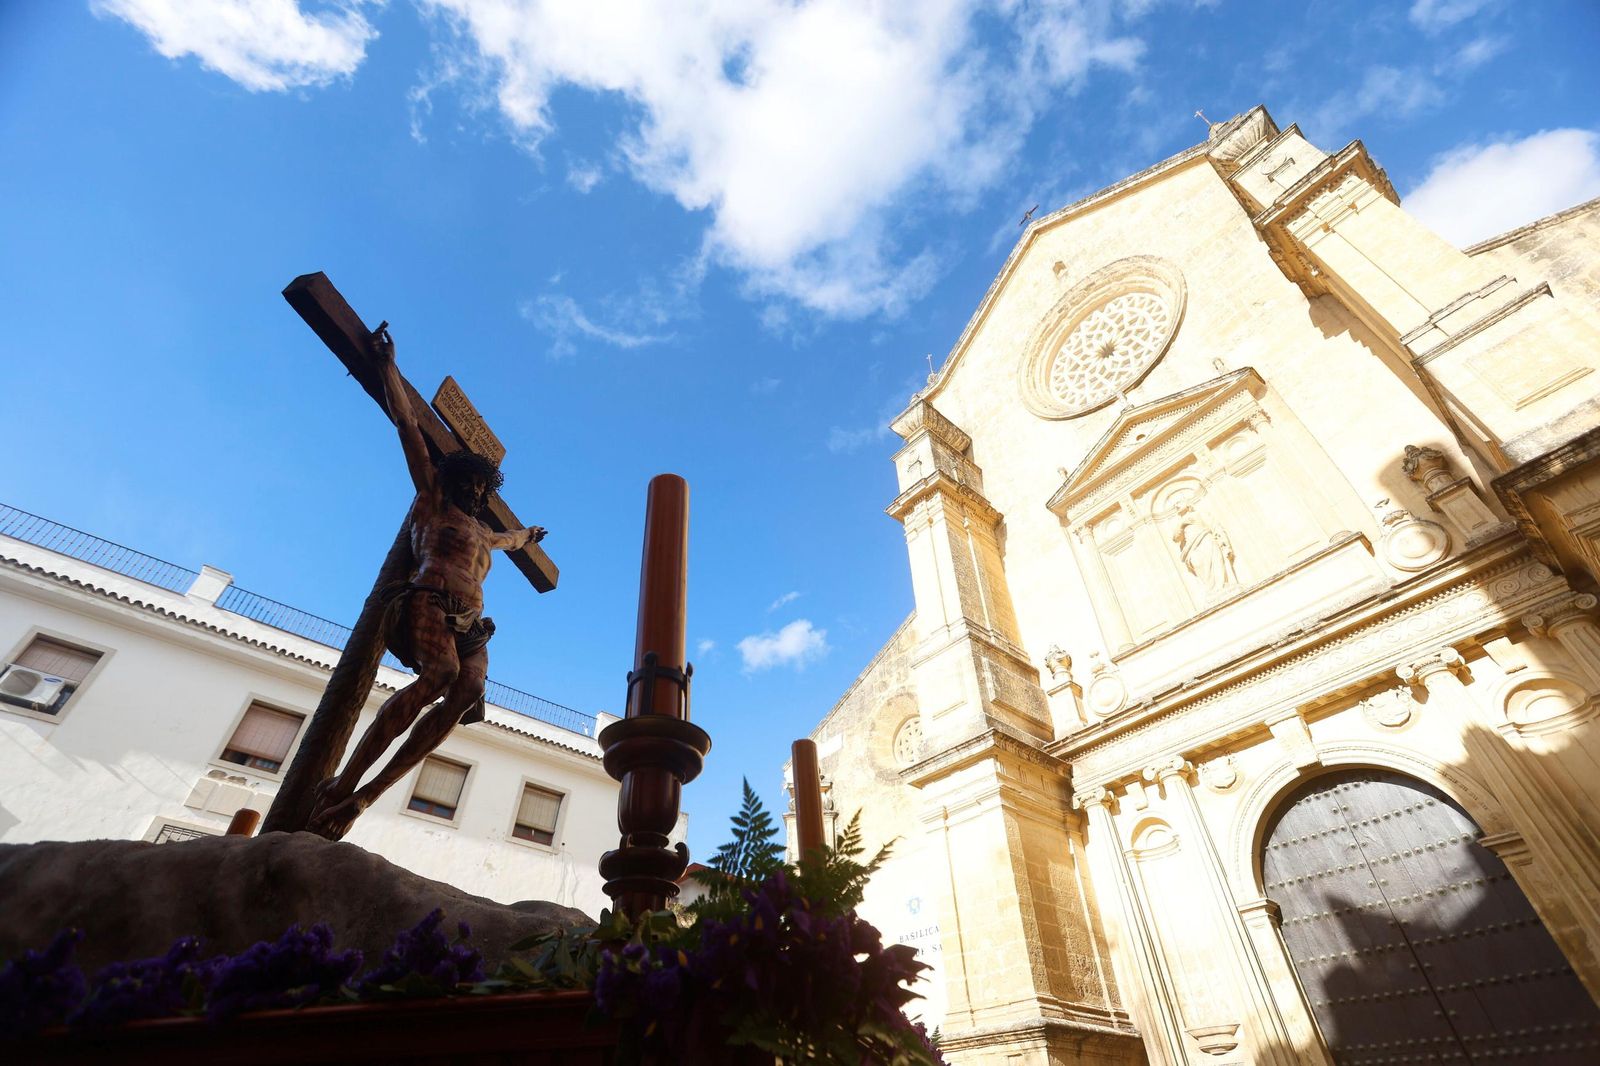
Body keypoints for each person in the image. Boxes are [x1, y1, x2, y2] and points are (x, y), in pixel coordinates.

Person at [308, 326, 544, 840]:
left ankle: (367, 794)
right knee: (438, 676)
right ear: (455, 478)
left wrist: (527, 536)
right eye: (472, 481)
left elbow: (512, 541)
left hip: (473, 622)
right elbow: (408, 428)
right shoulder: (433, 500)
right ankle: (346, 779)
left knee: (469, 688)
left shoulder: (484, 530)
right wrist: (388, 368)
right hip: (429, 598)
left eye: (483, 486)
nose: (478, 489)